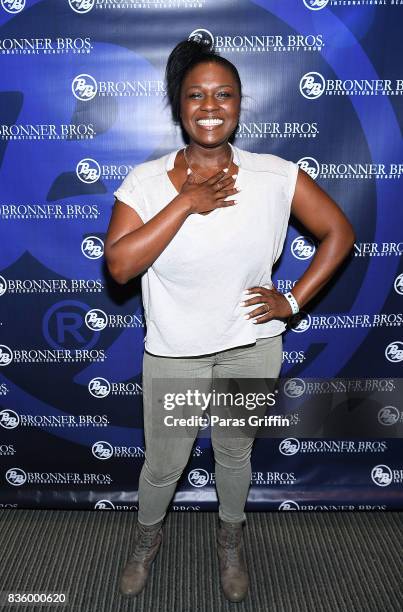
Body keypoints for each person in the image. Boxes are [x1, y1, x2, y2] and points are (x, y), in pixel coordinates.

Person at [105, 38, 355, 603]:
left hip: (250, 347)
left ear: (241, 104)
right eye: (195, 95)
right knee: (164, 466)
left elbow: (339, 233)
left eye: (224, 94)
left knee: (235, 454)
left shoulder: (274, 176)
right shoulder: (146, 183)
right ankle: (146, 541)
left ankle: (230, 541)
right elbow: (119, 266)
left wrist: (292, 301)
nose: (210, 105)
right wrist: (186, 202)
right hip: (175, 353)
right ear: (178, 104)